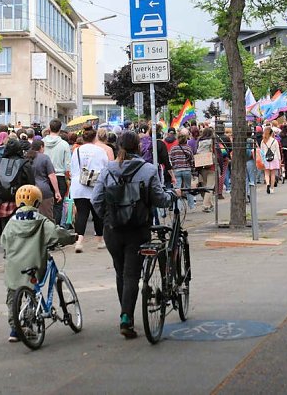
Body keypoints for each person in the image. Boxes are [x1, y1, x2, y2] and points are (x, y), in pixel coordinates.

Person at [90, 130, 176, 338]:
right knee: (132, 274)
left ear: (118, 146)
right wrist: (172, 195)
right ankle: (126, 317)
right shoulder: (147, 169)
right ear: (139, 147)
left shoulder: (108, 170)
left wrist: (108, 217)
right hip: (138, 229)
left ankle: (125, 315)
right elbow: (159, 199)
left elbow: (96, 199)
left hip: (113, 230)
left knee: (121, 272)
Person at [1, 185, 75, 342]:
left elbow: (4, 241)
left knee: (12, 295)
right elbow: (56, 234)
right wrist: (71, 237)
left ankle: (15, 329)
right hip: (34, 263)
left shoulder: (11, 222)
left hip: (14, 266)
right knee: (33, 292)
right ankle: (27, 323)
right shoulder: (41, 221)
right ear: (37, 203)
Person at [69, 126, 109, 251]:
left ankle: (79, 241)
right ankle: (99, 240)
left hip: (79, 185)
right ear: (95, 137)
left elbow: (73, 169)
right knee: (98, 213)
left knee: (81, 214)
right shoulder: (100, 151)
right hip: (95, 186)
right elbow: (105, 168)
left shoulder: (77, 151)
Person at [42, 119, 71, 225]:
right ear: (60, 129)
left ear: (49, 128)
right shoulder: (64, 144)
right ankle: (55, 227)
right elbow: (68, 165)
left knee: (44, 205)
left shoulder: (42, 143)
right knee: (58, 206)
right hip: (59, 176)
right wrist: (68, 178)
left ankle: (45, 227)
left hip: (43, 177)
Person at [27, 139, 61, 220]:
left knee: (31, 218)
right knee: (47, 217)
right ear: (41, 147)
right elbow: (52, 175)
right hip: (43, 191)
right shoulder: (45, 158)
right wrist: (57, 191)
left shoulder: (26, 157)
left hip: (28, 190)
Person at [169, 132, 196, 210]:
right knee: (188, 188)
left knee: (177, 189)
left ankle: (178, 207)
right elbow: (192, 160)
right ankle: (191, 206)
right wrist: (194, 172)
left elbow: (170, 160)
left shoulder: (173, 148)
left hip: (177, 170)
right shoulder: (188, 148)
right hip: (187, 170)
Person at [260, 126, 282, 193]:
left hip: (266, 158)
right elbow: (278, 151)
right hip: (274, 158)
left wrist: (262, 159)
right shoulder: (275, 141)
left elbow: (262, 151)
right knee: (273, 174)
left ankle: (267, 184)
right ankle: (272, 188)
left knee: (266, 173)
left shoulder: (263, 141)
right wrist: (279, 159)